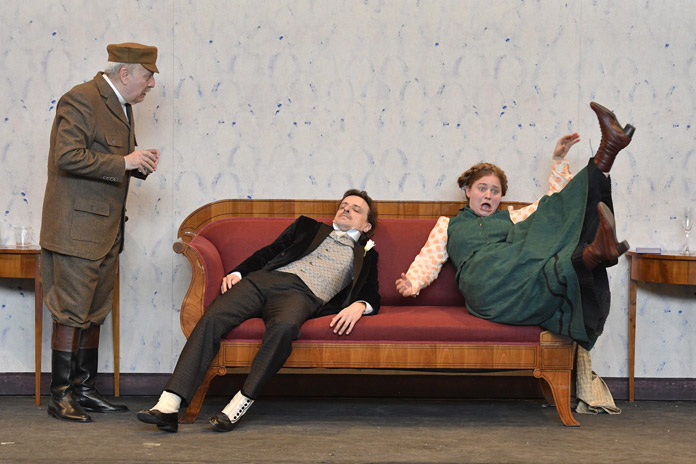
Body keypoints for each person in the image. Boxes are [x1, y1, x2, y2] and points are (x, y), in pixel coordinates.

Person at [396, 102, 635, 351]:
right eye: (482, 188)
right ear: (467, 191)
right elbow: (429, 259)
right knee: (545, 234)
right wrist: (412, 282)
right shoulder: (448, 225)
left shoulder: (511, 217)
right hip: (484, 287)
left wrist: (558, 159)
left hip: (520, 277)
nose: (488, 195)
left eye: (495, 191)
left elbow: (556, 204)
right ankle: (596, 250)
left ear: (500, 197)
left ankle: (608, 154)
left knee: (551, 213)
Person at [137, 189, 380, 433]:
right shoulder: (308, 227)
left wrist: (359, 305)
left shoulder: (367, 254)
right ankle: (168, 405)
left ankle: (239, 404)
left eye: (355, 209)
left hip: (302, 295)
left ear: (367, 226)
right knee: (213, 317)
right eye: (343, 205)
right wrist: (239, 272)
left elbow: (371, 293)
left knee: (284, 328)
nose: (346, 209)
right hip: (263, 281)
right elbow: (271, 251)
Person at [40, 42, 161, 422]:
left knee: (94, 312)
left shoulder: (122, 106)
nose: (151, 84)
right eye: (147, 76)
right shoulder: (81, 99)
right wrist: (124, 161)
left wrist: (137, 165)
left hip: (105, 232)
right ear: (125, 73)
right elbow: (67, 156)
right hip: (76, 231)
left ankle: (85, 391)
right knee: (71, 312)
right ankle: (60, 396)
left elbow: (108, 162)